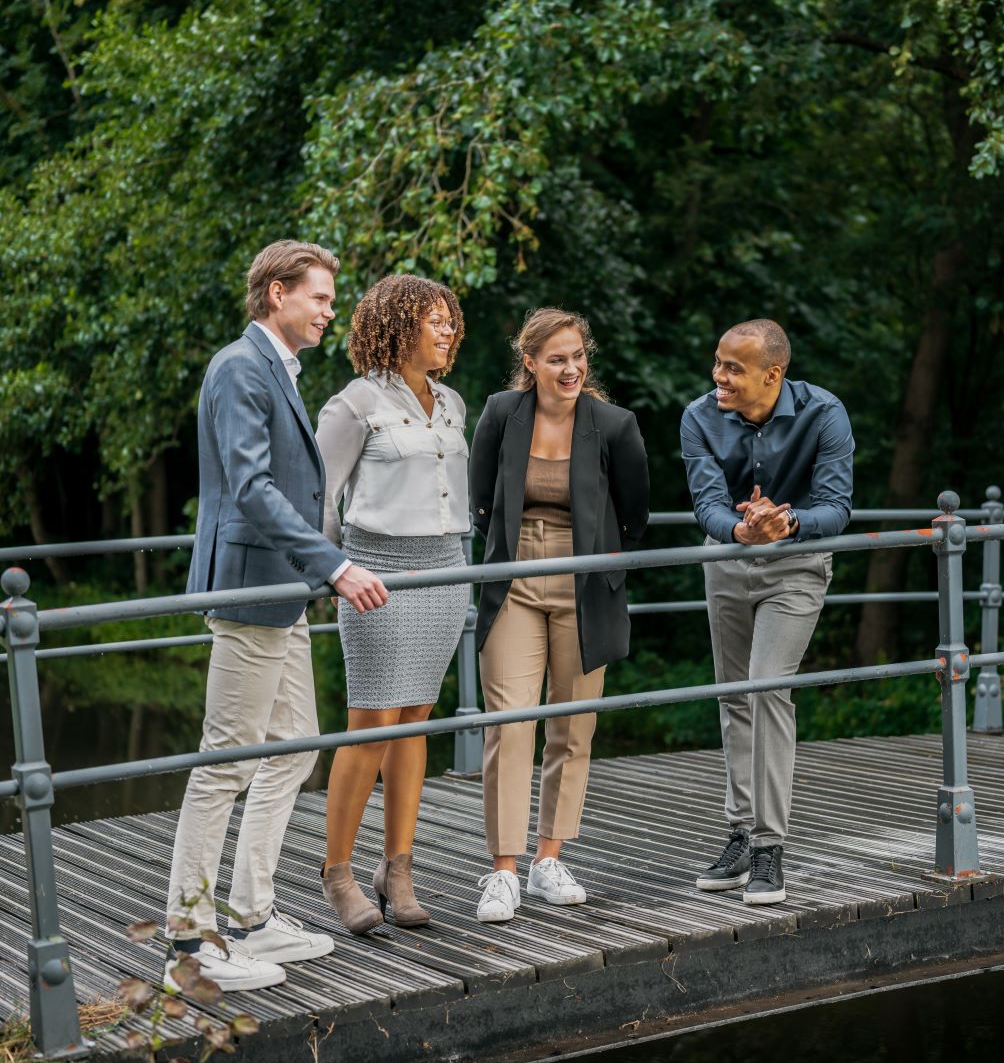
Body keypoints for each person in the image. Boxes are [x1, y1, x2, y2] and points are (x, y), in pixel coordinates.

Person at [167, 240, 389, 991]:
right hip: (251, 587)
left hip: (283, 589)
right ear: (276, 295)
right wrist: (334, 563)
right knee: (224, 760)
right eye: (321, 297)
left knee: (294, 745)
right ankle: (190, 948)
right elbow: (252, 487)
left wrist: (315, 568)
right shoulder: (239, 367)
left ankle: (253, 914)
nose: (331, 310)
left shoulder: (276, 370)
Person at [468, 308, 649, 924]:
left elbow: (635, 512)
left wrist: (600, 564)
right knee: (510, 723)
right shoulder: (500, 414)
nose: (571, 369)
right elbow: (480, 499)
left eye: (577, 357)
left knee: (573, 726)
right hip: (513, 577)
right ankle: (504, 870)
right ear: (530, 363)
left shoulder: (614, 424)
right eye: (556, 359)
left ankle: (550, 858)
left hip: (585, 579)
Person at [314, 274, 470, 934]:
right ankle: (338, 873)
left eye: (451, 321)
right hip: (376, 572)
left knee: (412, 722)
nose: (448, 330)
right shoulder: (353, 403)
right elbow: (318, 499)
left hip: (445, 570)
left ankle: (397, 868)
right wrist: (331, 571)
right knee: (370, 722)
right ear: (396, 324)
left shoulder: (454, 402)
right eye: (434, 319)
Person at [679, 318, 853, 905]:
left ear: (772, 374)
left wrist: (788, 522)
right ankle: (739, 832)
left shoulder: (824, 413)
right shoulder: (698, 416)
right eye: (719, 363)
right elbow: (706, 503)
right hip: (728, 560)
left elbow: (836, 506)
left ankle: (769, 849)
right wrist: (740, 529)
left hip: (796, 565)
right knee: (733, 694)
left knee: (766, 688)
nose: (718, 377)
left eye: (734, 368)